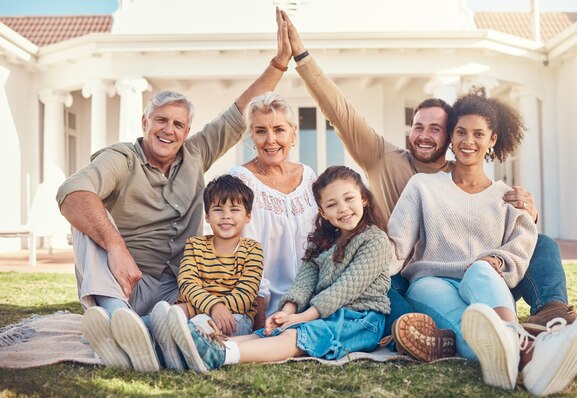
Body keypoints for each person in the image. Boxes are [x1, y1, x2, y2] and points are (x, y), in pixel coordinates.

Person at [279, 10, 574, 337]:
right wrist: (302, 57)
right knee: (382, 282)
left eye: (436, 129)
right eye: (418, 126)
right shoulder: (384, 158)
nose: (424, 135)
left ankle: (551, 313)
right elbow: (340, 111)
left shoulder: (459, 176)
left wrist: (529, 215)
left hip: (478, 275)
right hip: (405, 272)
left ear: (450, 135)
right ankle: (427, 333)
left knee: (544, 243)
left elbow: (504, 227)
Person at [56, 7, 293, 371]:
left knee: (184, 311)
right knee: (87, 214)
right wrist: (116, 247)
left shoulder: (195, 153)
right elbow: (72, 193)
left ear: (187, 130)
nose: (169, 131)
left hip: (179, 292)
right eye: (161, 121)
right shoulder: (122, 158)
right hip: (125, 283)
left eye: (178, 124)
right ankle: (119, 320)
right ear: (145, 122)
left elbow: (237, 112)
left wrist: (279, 63)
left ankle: (141, 331)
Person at [389, 89, 577, 396]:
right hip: (432, 281)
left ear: (492, 140)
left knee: (482, 273)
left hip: (486, 281)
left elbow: (526, 241)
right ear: (451, 138)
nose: (468, 142)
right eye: (460, 133)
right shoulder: (422, 186)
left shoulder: (509, 196)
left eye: (478, 134)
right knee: (470, 324)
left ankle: (520, 353)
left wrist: (497, 260)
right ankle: (534, 353)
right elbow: (398, 244)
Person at [165, 165, 391, 371]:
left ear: (363, 199)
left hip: (361, 320)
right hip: (324, 315)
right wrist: (287, 312)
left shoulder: (375, 240)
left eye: (349, 199)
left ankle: (222, 354)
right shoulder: (325, 241)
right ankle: (197, 347)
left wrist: (302, 317)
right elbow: (304, 281)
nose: (343, 209)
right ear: (322, 212)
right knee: (269, 332)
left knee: (298, 334)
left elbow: (344, 288)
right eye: (332, 204)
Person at [149, 175, 263, 369]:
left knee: (193, 321)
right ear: (208, 216)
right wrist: (211, 306)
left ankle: (171, 350)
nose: (226, 216)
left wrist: (211, 309)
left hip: (235, 318)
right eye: (218, 209)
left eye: (234, 210)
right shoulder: (195, 245)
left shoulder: (253, 250)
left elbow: (246, 295)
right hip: (201, 309)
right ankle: (133, 336)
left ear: (247, 216)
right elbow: (186, 283)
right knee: (163, 314)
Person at [229, 92, 317, 327]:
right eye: (261, 131)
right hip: (264, 308)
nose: (271, 140)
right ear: (251, 136)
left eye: (279, 130)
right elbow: (246, 259)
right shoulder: (241, 180)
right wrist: (259, 320)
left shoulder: (309, 177)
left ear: (293, 132)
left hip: (312, 302)